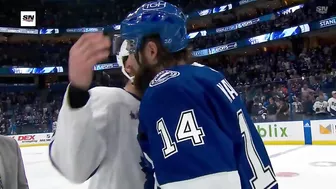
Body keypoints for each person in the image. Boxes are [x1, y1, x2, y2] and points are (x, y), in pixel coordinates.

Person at [119, 1, 278, 188]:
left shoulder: (168, 90)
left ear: (151, 51)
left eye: (132, 48)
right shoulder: (206, 76)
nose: (128, 63)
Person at [48, 36, 146, 189]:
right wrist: (77, 94)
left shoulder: (168, 105)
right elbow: (74, 168)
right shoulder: (109, 100)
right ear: (128, 66)